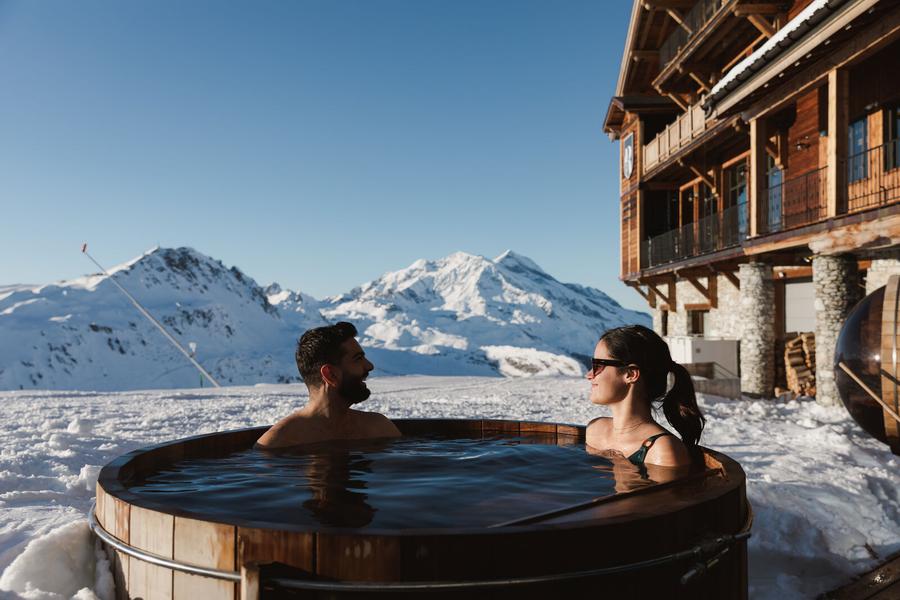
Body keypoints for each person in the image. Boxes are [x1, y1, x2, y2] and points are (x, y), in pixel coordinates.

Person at [256, 321, 401, 448]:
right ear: (330, 375)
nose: (369, 366)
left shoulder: (379, 428)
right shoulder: (278, 443)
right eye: (358, 359)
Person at [585, 324, 705, 470]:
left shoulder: (662, 451)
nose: (589, 375)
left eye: (598, 365)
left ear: (630, 374)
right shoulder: (595, 430)